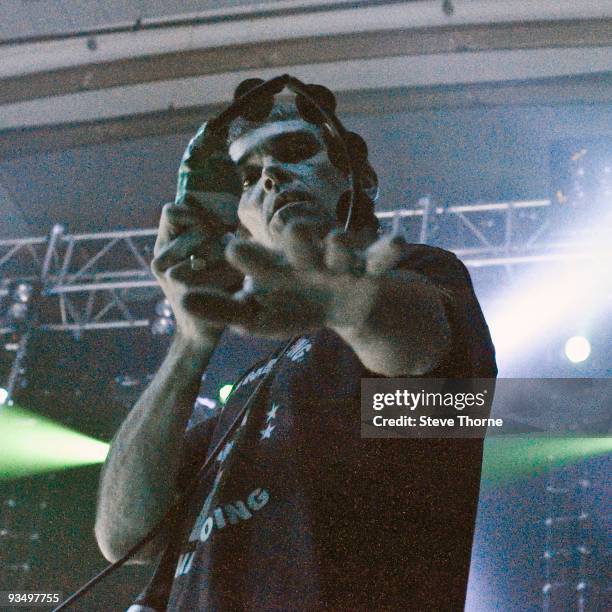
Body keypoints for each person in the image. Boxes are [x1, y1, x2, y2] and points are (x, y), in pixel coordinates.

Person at [94, 87, 497, 611]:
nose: (269, 177)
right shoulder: (248, 390)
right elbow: (124, 538)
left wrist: (356, 310)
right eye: (247, 177)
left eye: (292, 152)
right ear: (241, 225)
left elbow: (421, 363)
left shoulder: (422, 276)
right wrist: (190, 343)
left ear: (359, 178)